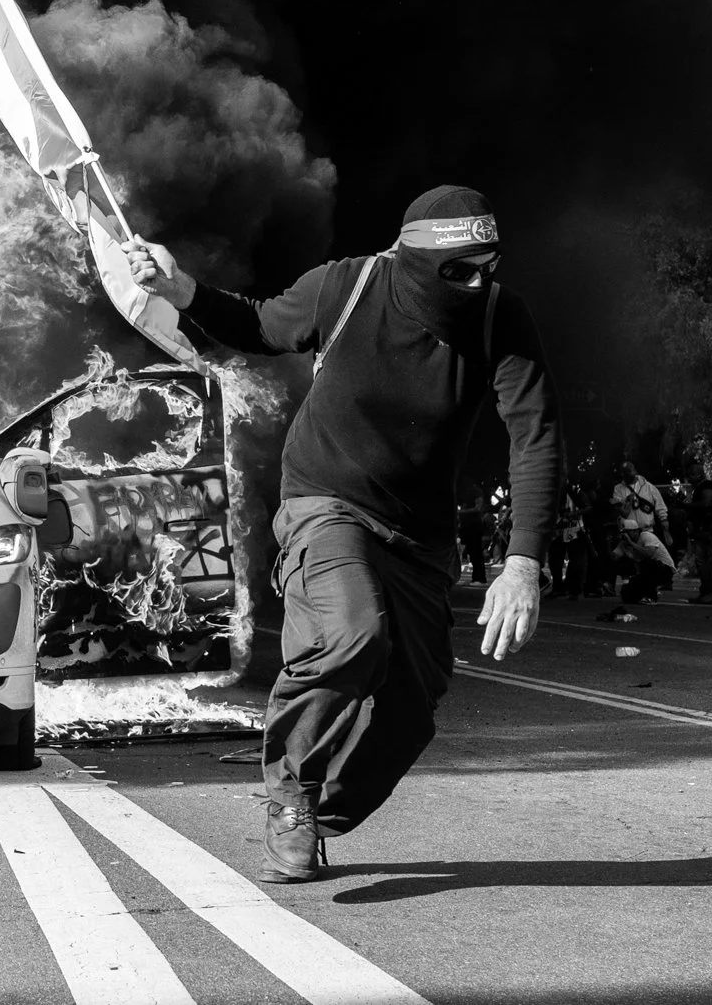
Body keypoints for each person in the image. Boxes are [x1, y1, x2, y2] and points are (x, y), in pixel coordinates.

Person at [128, 184, 562, 884]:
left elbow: (535, 439)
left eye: (488, 265)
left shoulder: (500, 318)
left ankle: (321, 810)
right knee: (352, 635)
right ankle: (291, 787)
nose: (477, 283)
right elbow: (258, 326)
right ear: (412, 258)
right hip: (324, 502)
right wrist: (180, 287)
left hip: (419, 533)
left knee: (414, 706)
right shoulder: (348, 285)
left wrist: (521, 564)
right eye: (459, 270)